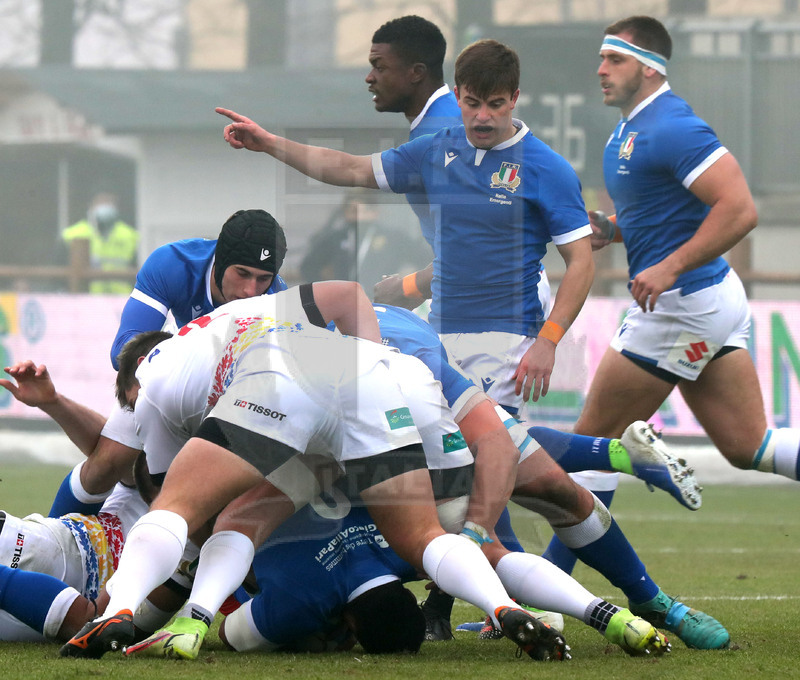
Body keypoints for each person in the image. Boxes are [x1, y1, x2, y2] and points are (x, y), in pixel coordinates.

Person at [60, 283, 569, 662]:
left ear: (131, 386)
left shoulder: (148, 392)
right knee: (423, 536)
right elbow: (349, 294)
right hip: (367, 376)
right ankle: (501, 607)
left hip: (278, 382)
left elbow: (185, 515)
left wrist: (131, 598)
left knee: (184, 509)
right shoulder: (239, 311)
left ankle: (120, 614)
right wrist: (373, 366)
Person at [542, 15, 800, 592]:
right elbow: (667, 220)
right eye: (602, 59)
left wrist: (669, 266)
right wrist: (615, 230)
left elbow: (739, 210)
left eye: (614, 60)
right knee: (747, 446)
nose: (600, 70)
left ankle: (545, 596)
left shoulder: (673, 126)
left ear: (649, 67)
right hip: (708, 299)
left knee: (588, 448)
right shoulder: (629, 130)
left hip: (684, 307)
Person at [46, 208, 289, 521]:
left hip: (228, 396)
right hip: (168, 374)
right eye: (242, 274)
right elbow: (123, 352)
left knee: (222, 493)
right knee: (107, 463)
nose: (251, 291)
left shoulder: (277, 302)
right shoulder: (174, 263)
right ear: (221, 260)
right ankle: (49, 540)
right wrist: (174, 366)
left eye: (263, 278)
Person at [61, 192, 139, 295]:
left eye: (109, 202)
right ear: (91, 205)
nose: (105, 206)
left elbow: (136, 271)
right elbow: (61, 272)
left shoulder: (129, 235)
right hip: (86, 298)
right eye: (101, 202)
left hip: (121, 298)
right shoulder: (73, 234)